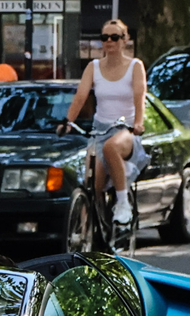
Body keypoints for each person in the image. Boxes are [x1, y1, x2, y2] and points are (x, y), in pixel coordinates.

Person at [62, 18, 147, 227]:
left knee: (111, 147)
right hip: (100, 130)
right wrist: (67, 121)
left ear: (125, 40)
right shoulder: (94, 67)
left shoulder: (135, 66)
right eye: (105, 37)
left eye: (115, 37)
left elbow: (139, 96)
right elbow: (81, 96)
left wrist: (138, 122)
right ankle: (98, 229)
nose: (109, 41)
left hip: (124, 130)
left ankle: (123, 202)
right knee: (94, 184)